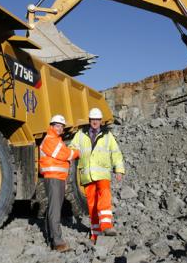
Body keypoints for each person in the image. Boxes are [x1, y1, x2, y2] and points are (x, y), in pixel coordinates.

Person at [69, 107, 125, 242]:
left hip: (102, 173)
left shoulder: (107, 135)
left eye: (97, 120)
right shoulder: (81, 134)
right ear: (89, 120)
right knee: (92, 204)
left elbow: (115, 152)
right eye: (93, 119)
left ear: (101, 121)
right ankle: (95, 232)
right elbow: (72, 148)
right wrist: (69, 158)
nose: (95, 122)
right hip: (87, 175)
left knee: (104, 195)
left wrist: (118, 169)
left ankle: (107, 226)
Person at [39, 114, 79, 252]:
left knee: (54, 208)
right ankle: (58, 242)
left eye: (62, 126)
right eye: (57, 125)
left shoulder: (57, 140)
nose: (60, 128)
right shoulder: (50, 140)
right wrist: (76, 152)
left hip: (58, 178)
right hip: (53, 178)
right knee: (55, 210)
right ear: (51, 126)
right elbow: (65, 154)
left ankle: (51, 237)